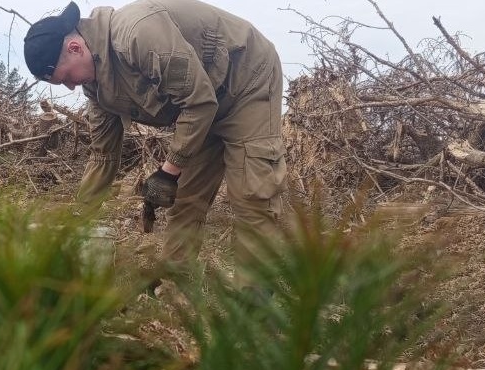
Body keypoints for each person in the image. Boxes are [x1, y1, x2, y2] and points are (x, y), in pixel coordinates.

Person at [23, 0, 287, 287]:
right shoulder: (96, 87)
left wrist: (167, 171)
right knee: (186, 197)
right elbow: (103, 155)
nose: (71, 87)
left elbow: (199, 103)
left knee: (252, 192)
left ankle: (255, 300)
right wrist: (77, 218)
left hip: (245, 80)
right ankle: (176, 285)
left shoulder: (137, 34)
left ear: (76, 48)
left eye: (66, 78)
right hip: (203, 103)